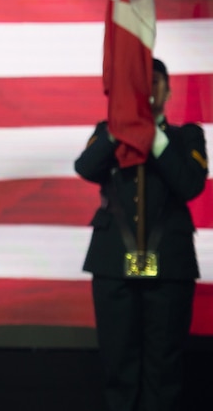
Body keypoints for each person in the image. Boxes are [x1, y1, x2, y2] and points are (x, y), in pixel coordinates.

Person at [75, 57, 208, 411]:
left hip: (170, 267)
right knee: (118, 362)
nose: (149, 89)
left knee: (164, 368)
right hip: (112, 263)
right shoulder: (108, 130)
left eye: (156, 82)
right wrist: (121, 128)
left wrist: (154, 138)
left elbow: (190, 183)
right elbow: (85, 167)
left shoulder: (187, 136)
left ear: (168, 89)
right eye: (141, 83)